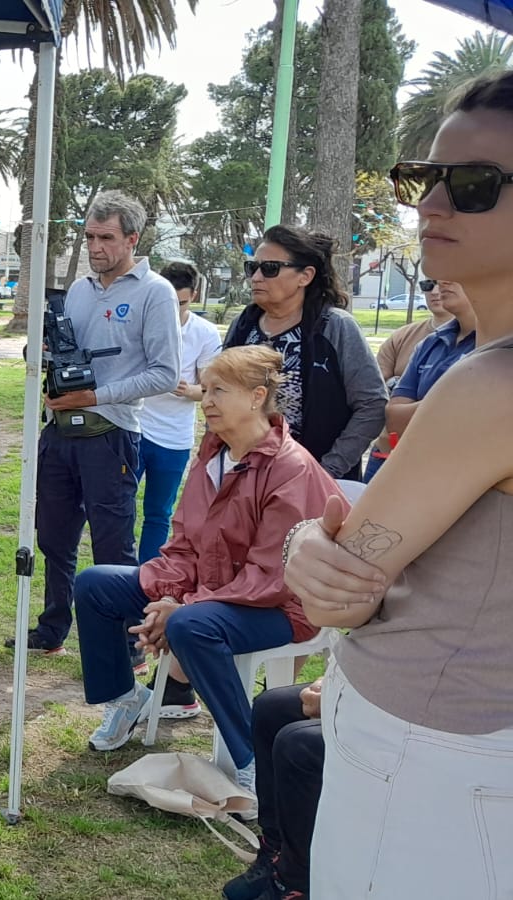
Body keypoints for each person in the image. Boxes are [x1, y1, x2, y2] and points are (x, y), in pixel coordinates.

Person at [283, 71, 513, 898]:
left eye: (476, 185)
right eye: (424, 178)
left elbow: (340, 592)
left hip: (429, 741)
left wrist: (307, 536)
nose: (433, 206)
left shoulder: (492, 385)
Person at [74, 346, 344, 799]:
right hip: (213, 595)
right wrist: (170, 593)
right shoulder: (212, 458)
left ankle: (250, 758)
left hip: (282, 606)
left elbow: (271, 575)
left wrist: (182, 606)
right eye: (206, 388)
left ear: (258, 397)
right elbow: (183, 544)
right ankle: (126, 698)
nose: (206, 400)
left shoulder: (290, 468)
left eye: (219, 390)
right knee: (96, 584)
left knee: (190, 625)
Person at [14, 190, 181, 664]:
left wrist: (96, 396)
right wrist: (42, 355)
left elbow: (166, 373)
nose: (95, 247)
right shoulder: (81, 290)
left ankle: (124, 641)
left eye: (105, 238)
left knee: (112, 544)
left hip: (111, 434)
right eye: (89, 237)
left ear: (133, 239)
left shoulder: (155, 292)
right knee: (54, 537)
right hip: (60, 432)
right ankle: (52, 628)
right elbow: (61, 354)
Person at [223, 223, 386, 480]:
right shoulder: (244, 325)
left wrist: (326, 470)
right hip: (242, 475)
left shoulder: (335, 327)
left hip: (312, 481)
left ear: (305, 276)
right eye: (252, 267)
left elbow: (372, 404)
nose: (256, 277)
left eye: (270, 269)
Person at [135, 261, 222, 562]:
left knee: (159, 513)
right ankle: (114, 573)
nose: (172, 310)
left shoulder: (206, 333)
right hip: (135, 427)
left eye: (181, 303)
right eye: (167, 302)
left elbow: (211, 389)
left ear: (194, 296)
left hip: (174, 436)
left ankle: (144, 577)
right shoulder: (142, 323)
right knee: (117, 506)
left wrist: (187, 390)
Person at [222, 679, 325, 900]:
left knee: (299, 744)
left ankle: (295, 882)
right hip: (371, 685)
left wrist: (341, 701)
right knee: (271, 707)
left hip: (405, 715)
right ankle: (275, 850)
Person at [363, 277, 451, 481]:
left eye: (443, 282)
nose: (435, 291)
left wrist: (401, 386)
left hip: (438, 460)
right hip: (386, 452)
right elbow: (376, 389)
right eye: (428, 284)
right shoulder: (402, 336)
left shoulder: (480, 340)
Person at [383, 278, 476, 444]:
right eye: (428, 284)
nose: (440, 284)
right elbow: (394, 420)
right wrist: (452, 404)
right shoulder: (429, 342)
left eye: (455, 272)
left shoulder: (502, 344)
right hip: (409, 457)